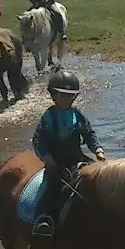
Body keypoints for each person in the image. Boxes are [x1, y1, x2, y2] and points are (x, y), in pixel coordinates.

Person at [31, 70, 106, 239]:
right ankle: (44, 218)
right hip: (56, 162)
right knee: (51, 186)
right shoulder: (48, 117)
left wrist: (98, 150)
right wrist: (47, 157)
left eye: (70, 96)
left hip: (76, 158)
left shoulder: (77, 115)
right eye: (62, 95)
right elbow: (38, 140)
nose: (67, 99)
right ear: (54, 95)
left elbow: (89, 134)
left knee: (98, 177)